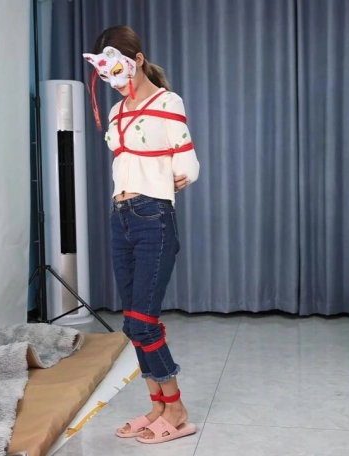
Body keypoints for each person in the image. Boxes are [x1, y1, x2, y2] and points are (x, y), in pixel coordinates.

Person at [83, 25, 200, 444]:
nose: (112, 81)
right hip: (121, 217)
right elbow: (126, 162)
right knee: (132, 325)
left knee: (144, 322)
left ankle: (177, 409)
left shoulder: (168, 102)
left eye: (116, 70)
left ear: (137, 60)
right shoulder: (116, 112)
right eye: (104, 74)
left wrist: (181, 173)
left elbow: (187, 163)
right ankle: (157, 407)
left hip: (153, 217)